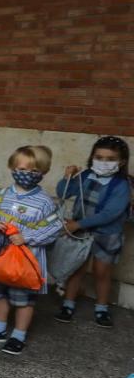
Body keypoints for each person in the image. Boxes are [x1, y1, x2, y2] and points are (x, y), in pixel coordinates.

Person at [0, 145, 62, 354]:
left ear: (43, 172)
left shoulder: (45, 202)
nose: (26, 175)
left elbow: (55, 228)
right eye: (21, 169)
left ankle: (18, 335)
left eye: (33, 171)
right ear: (12, 167)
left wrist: (27, 237)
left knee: (24, 298)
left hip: (25, 259)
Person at [55, 135, 131, 328]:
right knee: (77, 268)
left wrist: (78, 224)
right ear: (92, 157)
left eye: (110, 159)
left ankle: (101, 308)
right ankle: (68, 304)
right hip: (80, 233)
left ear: (121, 162)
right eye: (99, 157)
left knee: (101, 272)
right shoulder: (86, 175)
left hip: (107, 235)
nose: (104, 162)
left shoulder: (122, 184)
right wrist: (67, 177)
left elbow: (110, 213)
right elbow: (64, 192)